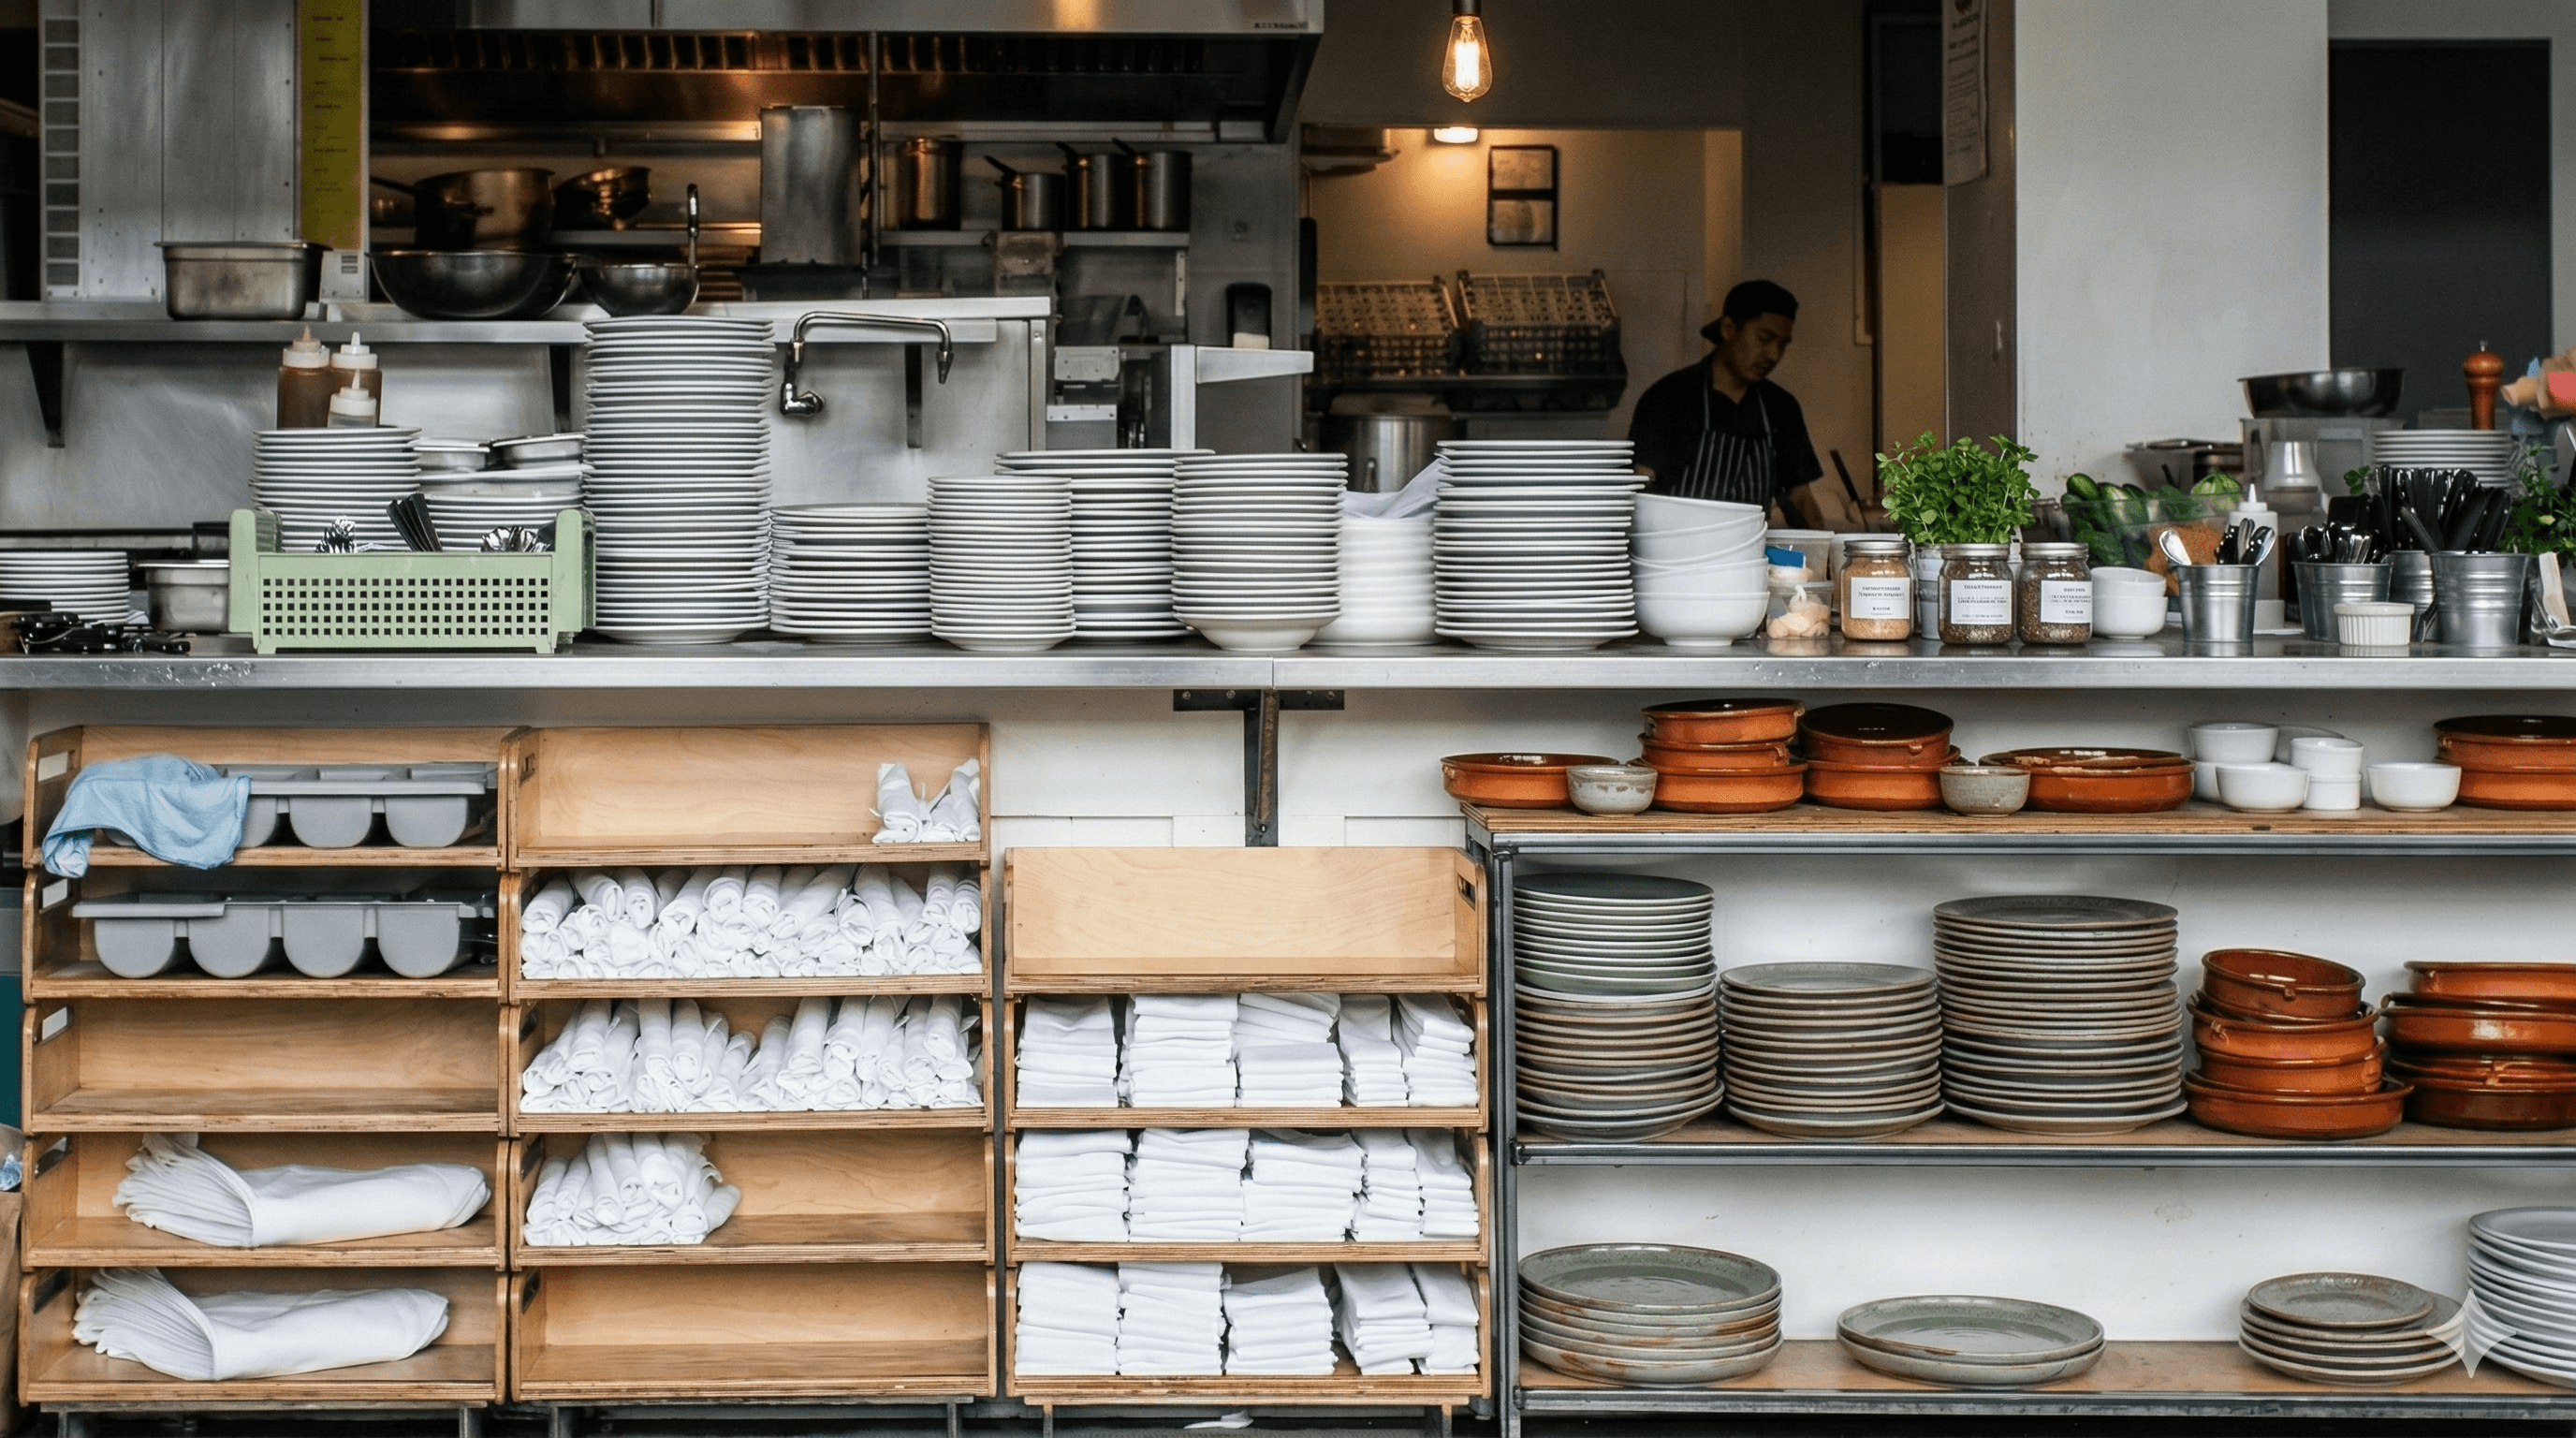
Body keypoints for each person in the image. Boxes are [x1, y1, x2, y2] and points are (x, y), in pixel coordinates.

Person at [1628, 279, 1825, 521]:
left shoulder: (1781, 407)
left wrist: (1820, 555)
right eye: (1764, 338)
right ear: (1729, 329)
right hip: (1680, 551)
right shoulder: (1668, 397)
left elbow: (1801, 498)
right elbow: (1640, 488)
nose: (1774, 355)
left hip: (1756, 550)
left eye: (1782, 345)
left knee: (1791, 560)